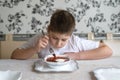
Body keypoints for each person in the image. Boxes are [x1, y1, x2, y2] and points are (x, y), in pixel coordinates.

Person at [11, 9, 112, 60]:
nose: (58, 44)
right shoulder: (40, 39)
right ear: (49, 30)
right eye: (54, 38)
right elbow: (14, 56)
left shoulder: (75, 41)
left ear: (70, 35)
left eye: (64, 40)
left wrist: (78, 55)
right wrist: (34, 49)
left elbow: (107, 50)